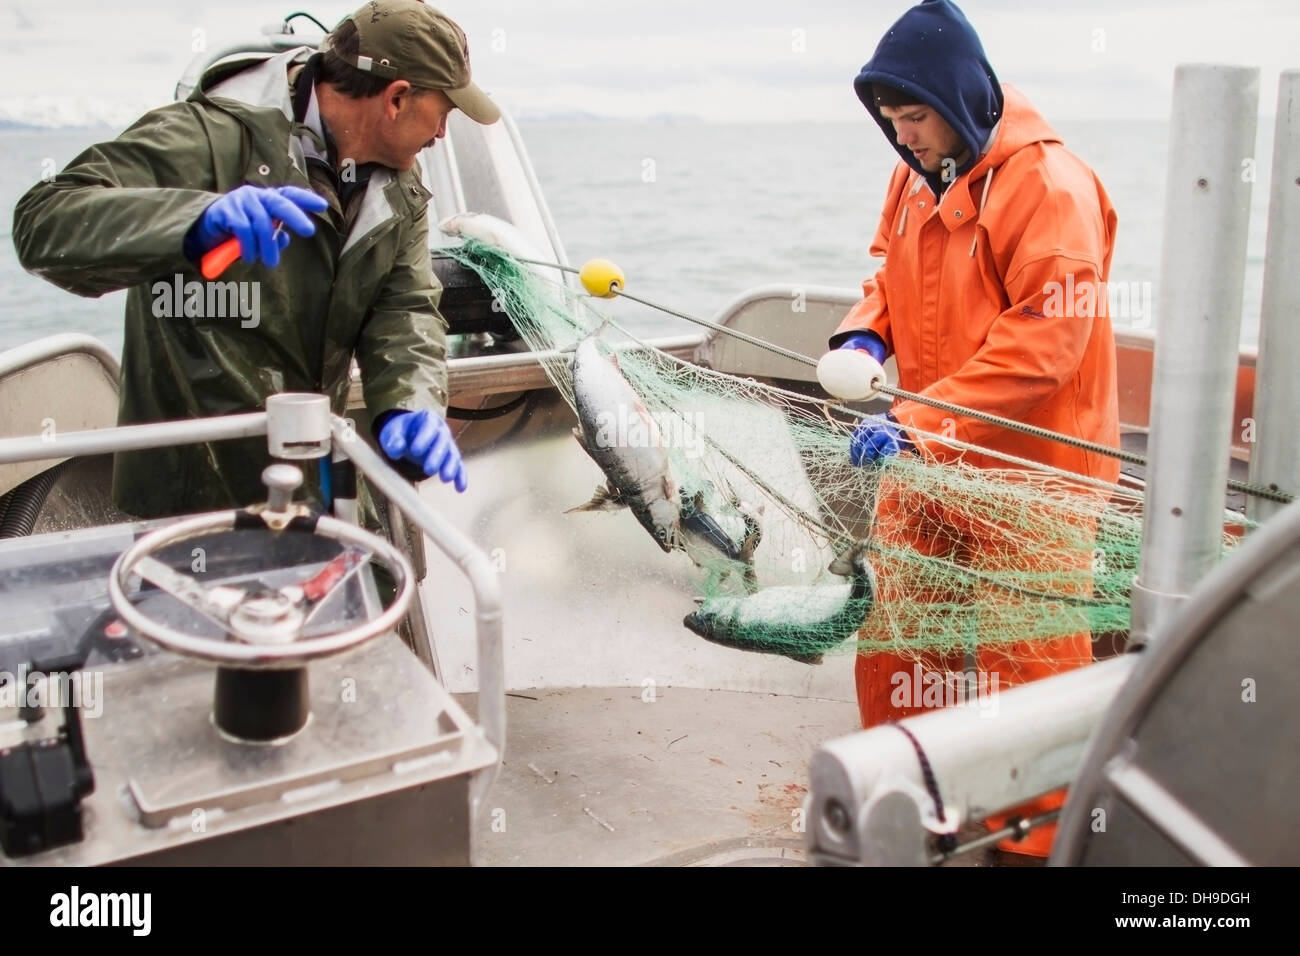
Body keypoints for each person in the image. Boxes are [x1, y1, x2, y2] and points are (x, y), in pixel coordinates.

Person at [12, 0, 499, 519]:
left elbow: (404, 308)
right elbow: (44, 221)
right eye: (443, 113)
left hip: (310, 484)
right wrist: (194, 220)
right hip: (189, 503)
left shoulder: (399, 187)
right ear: (397, 99)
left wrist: (412, 400)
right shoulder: (204, 137)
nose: (442, 134)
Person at [827, 0, 1120, 860]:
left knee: (1022, 663)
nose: (903, 135)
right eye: (891, 120)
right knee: (897, 635)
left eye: (914, 116)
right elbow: (888, 265)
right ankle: (902, 806)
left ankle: (1029, 845)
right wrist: (863, 331)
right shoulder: (916, 170)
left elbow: (1047, 341)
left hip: (1034, 476)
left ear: (959, 98)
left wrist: (917, 420)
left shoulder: (1051, 189)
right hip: (932, 460)